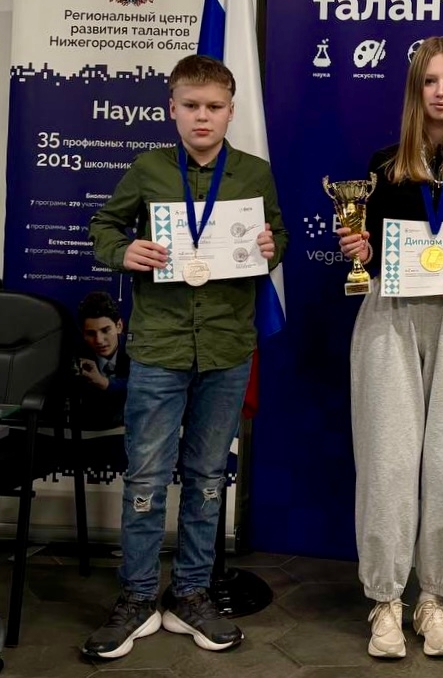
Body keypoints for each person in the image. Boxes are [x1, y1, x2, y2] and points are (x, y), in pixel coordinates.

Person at [83, 54, 287, 659]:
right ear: (172, 109)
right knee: (146, 476)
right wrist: (125, 251)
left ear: (230, 112)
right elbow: (103, 227)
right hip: (159, 348)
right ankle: (137, 596)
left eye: (214, 107)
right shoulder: (148, 169)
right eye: (191, 106)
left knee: (206, 476)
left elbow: (275, 237)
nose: (203, 116)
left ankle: (191, 594)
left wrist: (270, 246)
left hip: (226, 347)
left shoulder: (253, 173)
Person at [336, 36, 443, 659]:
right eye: (430, 81)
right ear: (415, 91)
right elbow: (374, 251)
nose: (440, 92)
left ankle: (433, 598)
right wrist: (360, 250)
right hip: (392, 318)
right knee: (388, 461)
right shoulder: (383, 166)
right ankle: (385, 600)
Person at [76, 291, 129, 432]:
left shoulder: (135, 349)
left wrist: (105, 383)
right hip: (89, 429)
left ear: (119, 326)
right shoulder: (76, 351)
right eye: (91, 333)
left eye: (105, 330)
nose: (99, 340)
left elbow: (145, 384)